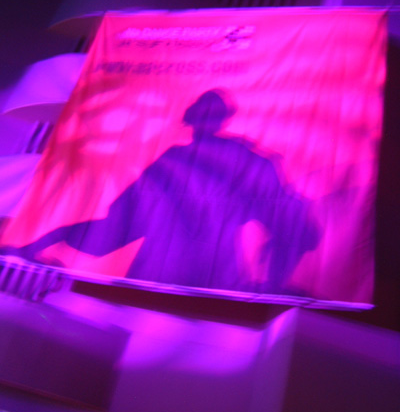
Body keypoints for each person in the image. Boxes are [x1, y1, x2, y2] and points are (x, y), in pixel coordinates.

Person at [1, 90, 321, 294]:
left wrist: (274, 282)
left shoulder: (242, 160)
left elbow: (288, 219)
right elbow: (122, 216)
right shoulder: (229, 159)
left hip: (182, 273)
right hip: (182, 274)